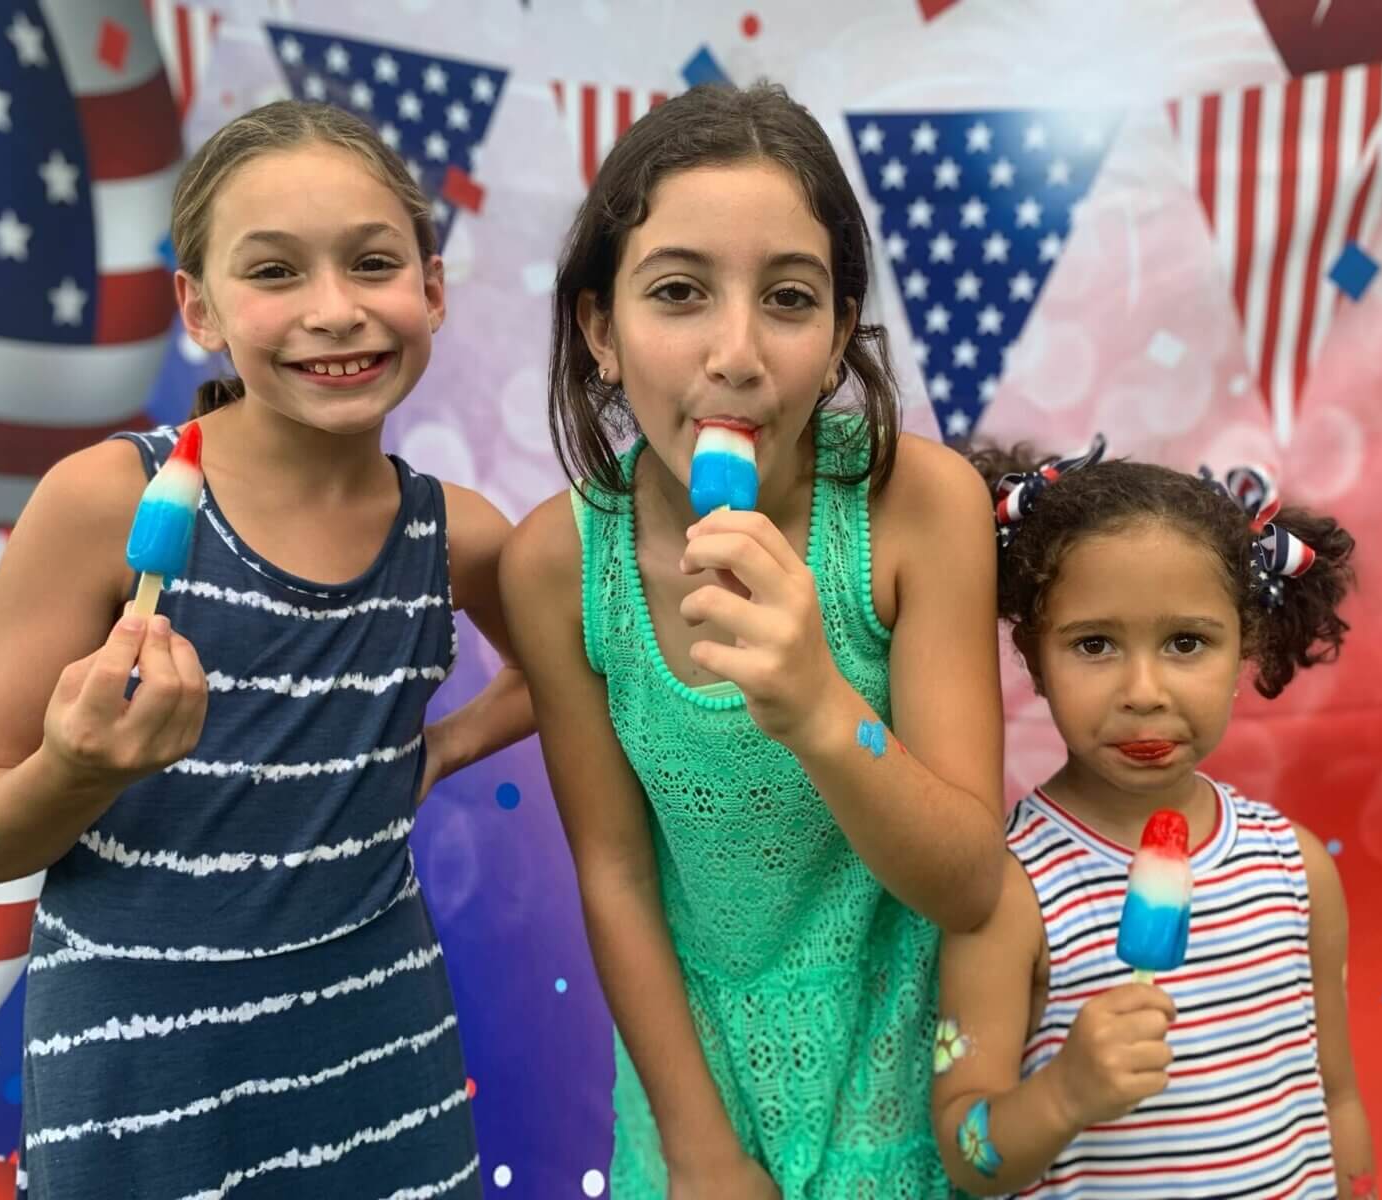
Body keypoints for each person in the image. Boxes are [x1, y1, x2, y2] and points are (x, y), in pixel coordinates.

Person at [0, 99, 531, 1198]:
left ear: (433, 291)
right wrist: (73, 772)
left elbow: (564, 670)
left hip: (384, 1075)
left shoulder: (459, 537)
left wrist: (435, 752)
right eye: (274, 273)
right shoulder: (103, 500)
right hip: (138, 1101)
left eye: (373, 262)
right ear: (198, 309)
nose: (336, 310)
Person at [501, 82, 1006, 1197]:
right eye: (678, 293)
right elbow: (617, 873)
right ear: (600, 329)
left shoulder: (918, 510)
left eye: (787, 298)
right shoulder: (555, 566)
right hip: (697, 1088)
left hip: (905, 1089)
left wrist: (822, 711)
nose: (736, 352)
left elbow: (969, 884)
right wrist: (699, 1154)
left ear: (835, 342)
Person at [934, 444, 1377, 1199]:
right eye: (1095, 644)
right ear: (1034, 658)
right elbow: (963, 1148)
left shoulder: (1297, 869)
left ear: (1248, 643)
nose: (1144, 691)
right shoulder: (1007, 889)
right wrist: (1065, 1093)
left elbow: (1334, 1094)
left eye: (1186, 643)